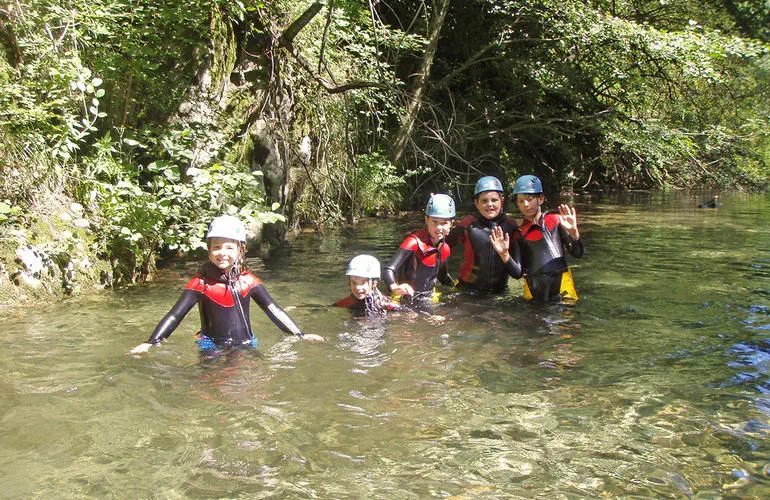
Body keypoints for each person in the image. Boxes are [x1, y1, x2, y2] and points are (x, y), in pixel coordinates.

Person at [130, 215, 323, 355]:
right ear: (209, 250)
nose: (222, 252)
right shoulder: (200, 284)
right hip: (210, 344)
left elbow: (273, 310)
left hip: (245, 343)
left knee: (248, 381)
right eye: (216, 247)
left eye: (229, 247)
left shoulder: (249, 282)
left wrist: (299, 334)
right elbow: (175, 315)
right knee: (211, 382)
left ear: (241, 250)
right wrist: (151, 342)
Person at [511, 175, 583, 302]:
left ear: (541, 199)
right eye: (521, 201)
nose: (526, 205)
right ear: (517, 203)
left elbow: (577, 253)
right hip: (534, 292)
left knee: (565, 320)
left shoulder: (556, 220)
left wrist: (574, 233)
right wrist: (504, 254)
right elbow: (517, 273)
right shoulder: (519, 234)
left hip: (562, 288)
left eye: (530, 199)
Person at [446, 175, 522, 294]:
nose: (490, 205)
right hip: (468, 290)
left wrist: (505, 254)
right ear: (476, 203)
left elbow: (517, 273)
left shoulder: (511, 226)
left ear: (502, 201)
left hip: (499, 292)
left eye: (494, 200)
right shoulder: (467, 225)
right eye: (484, 201)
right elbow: (440, 247)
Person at [383, 193, 455, 309]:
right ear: (426, 219)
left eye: (444, 223)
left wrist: (457, 289)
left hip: (428, 297)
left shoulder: (444, 248)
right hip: (405, 297)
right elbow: (388, 269)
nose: (439, 228)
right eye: (434, 221)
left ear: (451, 224)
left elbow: (443, 276)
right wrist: (394, 287)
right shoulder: (413, 243)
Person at [333, 254, 400, 317]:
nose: (357, 287)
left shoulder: (385, 304)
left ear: (374, 283)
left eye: (363, 283)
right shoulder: (347, 302)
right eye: (354, 283)